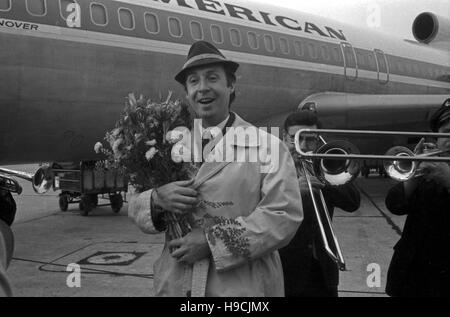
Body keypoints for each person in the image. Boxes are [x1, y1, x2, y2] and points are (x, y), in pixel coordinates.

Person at [128, 41, 303, 297]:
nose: (203, 88)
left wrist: (213, 242)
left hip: (242, 287)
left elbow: (283, 216)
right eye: (193, 81)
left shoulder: (268, 146)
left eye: (212, 78)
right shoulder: (168, 146)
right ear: (187, 92)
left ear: (230, 85)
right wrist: (156, 199)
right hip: (177, 283)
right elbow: (135, 203)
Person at [279, 111, 360, 297]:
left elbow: (353, 203)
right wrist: (293, 191)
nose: (303, 146)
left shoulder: (324, 166)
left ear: (318, 141)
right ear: (284, 138)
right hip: (284, 269)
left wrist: (325, 180)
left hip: (322, 268)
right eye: (296, 139)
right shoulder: (269, 169)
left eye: (310, 140)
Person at [385, 99, 450, 297]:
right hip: (412, 275)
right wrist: (412, 175)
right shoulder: (428, 170)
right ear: (437, 139)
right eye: (446, 132)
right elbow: (394, 205)